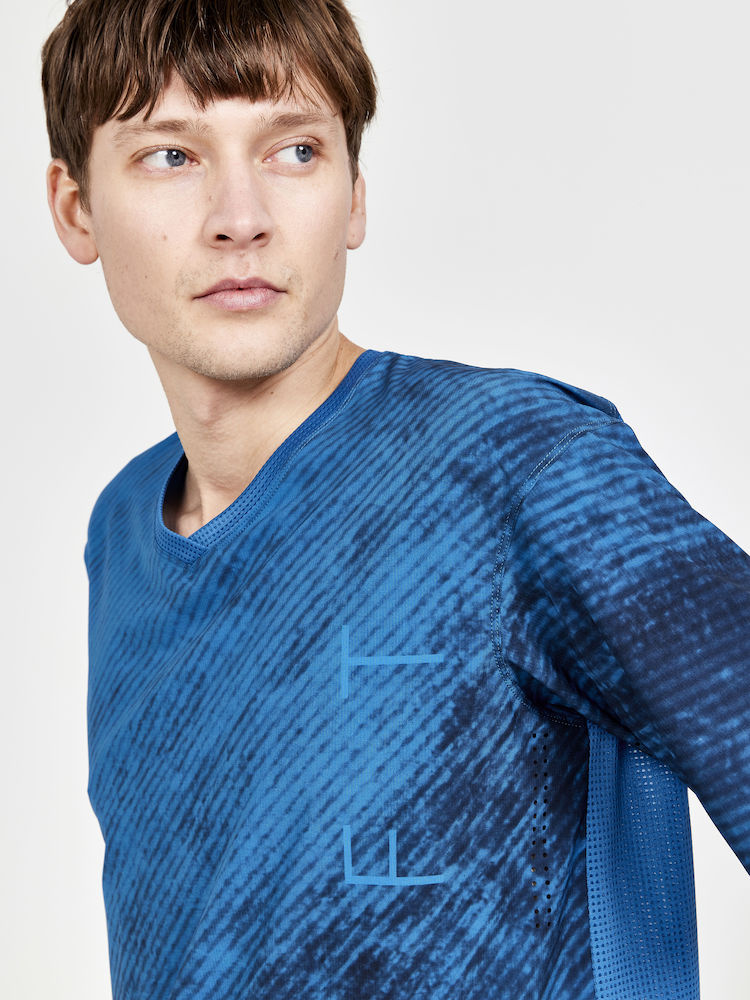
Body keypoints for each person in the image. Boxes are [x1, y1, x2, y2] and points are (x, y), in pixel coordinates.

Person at [41, 1, 749, 998]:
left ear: (354, 196)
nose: (240, 217)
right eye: (172, 155)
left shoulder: (516, 462)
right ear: (76, 208)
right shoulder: (120, 533)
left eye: (294, 150)